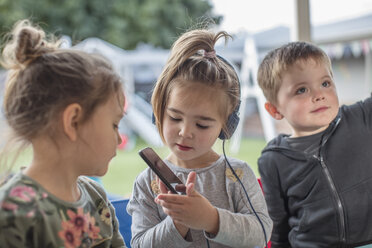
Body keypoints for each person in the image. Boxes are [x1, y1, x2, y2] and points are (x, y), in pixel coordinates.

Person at [127, 29, 272, 248]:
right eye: (175, 117)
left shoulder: (237, 175)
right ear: (159, 110)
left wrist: (210, 219)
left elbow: (261, 232)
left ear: (226, 126)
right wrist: (178, 222)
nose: (185, 132)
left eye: (202, 124)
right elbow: (140, 244)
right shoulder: (148, 182)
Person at [0, 20, 126, 247]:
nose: (118, 139)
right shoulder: (11, 215)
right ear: (73, 121)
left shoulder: (96, 197)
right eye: (114, 125)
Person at [257, 41, 372, 247]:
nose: (319, 95)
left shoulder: (361, 118)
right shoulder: (272, 160)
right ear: (275, 109)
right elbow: (278, 229)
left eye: (325, 84)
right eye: (301, 90)